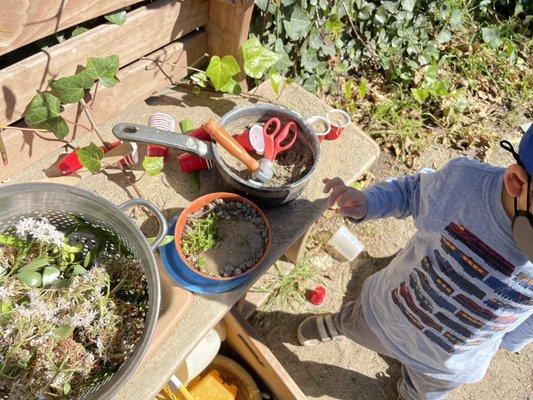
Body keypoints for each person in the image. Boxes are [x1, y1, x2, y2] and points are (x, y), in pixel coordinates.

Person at [297, 126, 533, 400]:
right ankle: (339, 325)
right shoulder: (464, 186)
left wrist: (514, 339)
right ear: (516, 183)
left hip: (445, 367)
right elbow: (412, 193)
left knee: (423, 393)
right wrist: (369, 203)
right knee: (355, 321)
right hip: (384, 313)